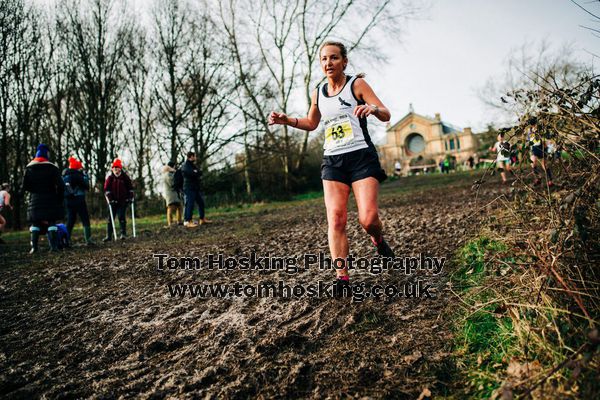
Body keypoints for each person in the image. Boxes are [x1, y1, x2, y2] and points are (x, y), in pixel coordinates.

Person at [268, 41, 394, 296]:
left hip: (361, 158)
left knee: (368, 219)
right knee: (336, 219)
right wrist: (287, 120)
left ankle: (378, 240)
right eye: (324, 59)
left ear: (344, 61)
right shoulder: (318, 91)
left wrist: (372, 109)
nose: (328, 63)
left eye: (334, 58)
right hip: (333, 161)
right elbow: (312, 123)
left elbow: (386, 113)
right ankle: (342, 279)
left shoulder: (356, 85)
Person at [22, 144, 65, 253]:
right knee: (51, 222)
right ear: (47, 154)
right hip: (50, 199)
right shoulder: (52, 168)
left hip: (35, 200)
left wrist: (34, 191)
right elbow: (61, 186)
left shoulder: (29, 169)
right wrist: (59, 199)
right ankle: (54, 247)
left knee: (35, 223)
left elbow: (25, 186)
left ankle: (34, 248)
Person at [62, 156, 94, 245]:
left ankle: (66, 240)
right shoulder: (78, 175)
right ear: (77, 167)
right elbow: (86, 186)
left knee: (70, 220)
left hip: (68, 200)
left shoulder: (65, 175)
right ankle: (88, 240)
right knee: (85, 219)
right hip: (79, 199)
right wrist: (85, 176)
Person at [103, 159, 134, 241]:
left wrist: (130, 197)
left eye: (117, 168)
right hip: (112, 202)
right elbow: (106, 189)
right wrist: (110, 199)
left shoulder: (125, 177)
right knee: (110, 218)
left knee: (121, 217)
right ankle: (109, 235)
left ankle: (123, 234)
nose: (115, 169)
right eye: (114, 168)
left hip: (122, 201)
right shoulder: (110, 178)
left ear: (120, 168)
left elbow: (130, 188)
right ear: (112, 169)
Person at [181, 152, 211, 227]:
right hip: (189, 188)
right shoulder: (186, 165)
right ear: (191, 157)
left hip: (195, 188)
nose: (196, 158)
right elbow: (192, 173)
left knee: (201, 203)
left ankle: (202, 219)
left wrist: (196, 172)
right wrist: (196, 172)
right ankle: (188, 221)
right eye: (195, 156)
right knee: (190, 205)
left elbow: (199, 172)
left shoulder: (192, 165)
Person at [161, 161, 183, 226]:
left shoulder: (169, 173)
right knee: (170, 208)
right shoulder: (168, 174)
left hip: (174, 193)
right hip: (171, 194)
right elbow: (172, 183)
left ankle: (179, 220)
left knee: (179, 207)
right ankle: (170, 222)